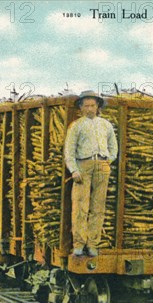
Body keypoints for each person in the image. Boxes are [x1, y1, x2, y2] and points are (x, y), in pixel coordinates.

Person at [64, 90, 118, 257]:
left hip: (102, 165)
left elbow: (113, 147)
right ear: (81, 107)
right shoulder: (77, 125)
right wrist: (73, 170)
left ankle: (93, 244)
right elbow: (69, 150)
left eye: (92, 105)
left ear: (98, 106)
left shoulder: (105, 125)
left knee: (98, 207)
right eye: (86, 105)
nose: (89, 109)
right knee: (81, 206)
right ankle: (79, 244)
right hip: (83, 165)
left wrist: (108, 162)